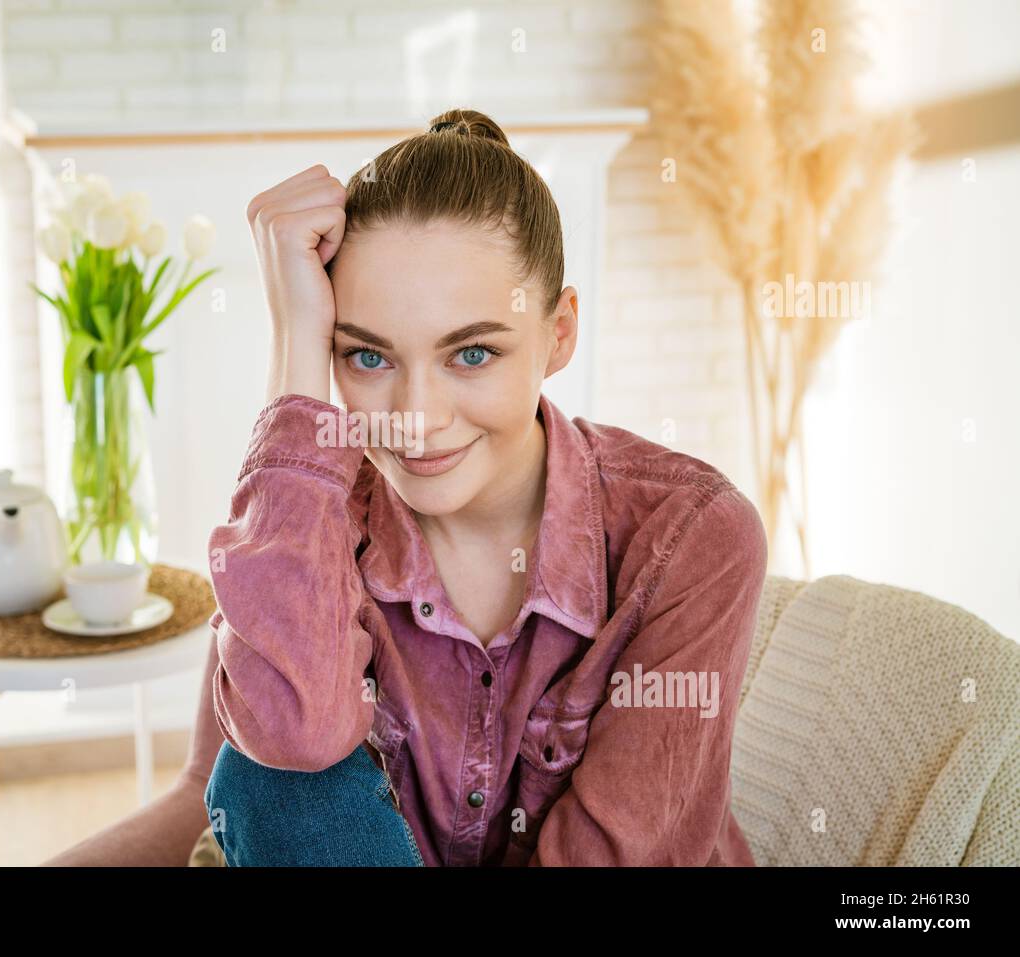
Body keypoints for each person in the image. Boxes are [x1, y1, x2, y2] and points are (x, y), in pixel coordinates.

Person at [204, 106, 769, 867]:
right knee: (270, 774)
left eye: (471, 354)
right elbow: (284, 742)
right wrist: (295, 344)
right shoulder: (306, 523)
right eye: (367, 358)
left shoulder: (691, 533)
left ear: (559, 333)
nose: (415, 419)